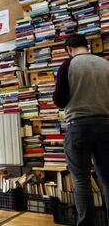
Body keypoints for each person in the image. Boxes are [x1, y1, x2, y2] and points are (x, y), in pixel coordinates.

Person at [53, 33, 109, 226]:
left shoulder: (68, 65)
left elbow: (59, 100)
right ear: (87, 46)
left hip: (78, 127)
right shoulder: (105, 64)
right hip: (105, 126)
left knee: (82, 181)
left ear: (69, 49)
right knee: (108, 180)